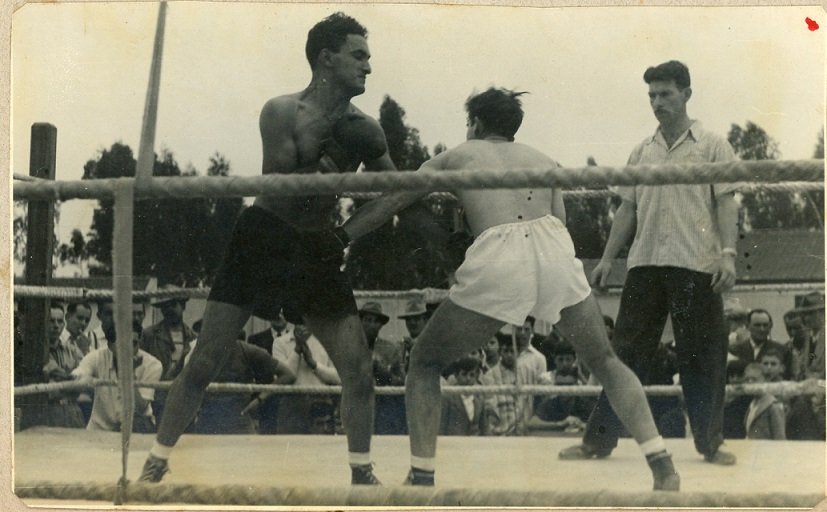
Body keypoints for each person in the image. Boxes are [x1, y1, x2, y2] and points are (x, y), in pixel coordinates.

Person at [342, 87, 679, 490]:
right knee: (605, 360)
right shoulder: (542, 160)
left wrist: (339, 237)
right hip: (554, 246)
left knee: (425, 363)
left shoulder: (458, 156)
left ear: (477, 123)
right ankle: (661, 462)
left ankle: (421, 476)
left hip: (501, 253)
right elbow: (558, 219)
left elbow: (391, 201)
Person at [140, 12, 393, 485]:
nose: (369, 67)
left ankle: (362, 473)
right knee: (206, 359)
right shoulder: (282, 111)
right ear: (326, 58)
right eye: (359, 56)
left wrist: (345, 233)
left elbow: (396, 191)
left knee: (358, 369)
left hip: (317, 244)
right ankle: (156, 459)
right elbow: (283, 182)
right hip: (264, 236)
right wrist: (335, 155)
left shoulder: (367, 128)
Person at [560, 60, 740, 467]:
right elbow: (627, 209)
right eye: (652, 96)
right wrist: (608, 259)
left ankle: (710, 444)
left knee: (702, 355)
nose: (657, 103)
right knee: (622, 355)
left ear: (686, 94)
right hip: (644, 265)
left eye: (665, 94)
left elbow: (726, 200)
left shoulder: (713, 145)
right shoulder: (641, 150)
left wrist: (728, 255)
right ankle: (598, 441)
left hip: (696, 263)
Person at [183, 328, 296, 435]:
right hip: (207, 422)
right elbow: (178, 380)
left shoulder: (247, 350)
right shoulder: (200, 351)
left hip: (239, 422)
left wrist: (259, 400)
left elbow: (288, 375)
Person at [72, 320, 162, 432]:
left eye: (134, 343)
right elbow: (77, 376)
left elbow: (140, 407)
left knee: (139, 424)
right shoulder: (97, 357)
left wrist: (130, 374)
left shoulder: (152, 364)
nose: (129, 350)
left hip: (136, 428)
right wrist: (71, 377)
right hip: (100, 430)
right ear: (110, 345)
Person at [273, 323, 341, 434]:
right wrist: (297, 350)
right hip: (291, 404)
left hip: (321, 404)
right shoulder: (280, 342)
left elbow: (338, 377)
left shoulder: (328, 342)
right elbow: (281, 377)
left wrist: (314, 364)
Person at [359, 302, 406, 435]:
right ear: (360, 321)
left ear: (380, 325)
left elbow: (401, 382)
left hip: (383, 407)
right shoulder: (350, 348)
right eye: (367, 320)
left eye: (375, 321)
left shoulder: (391, 349)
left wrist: (381, 370)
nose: (371, 325)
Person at [42, 302, 86, 428]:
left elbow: (85, 383)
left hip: (73, 412)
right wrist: (72, 380)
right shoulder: (37, 353)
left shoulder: (72, 350)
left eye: (60, 321)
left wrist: (60, 377)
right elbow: (50, 391)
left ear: (63, 324)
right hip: (48, 413)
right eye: (51, 321)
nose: (56, 326)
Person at [728, 309, 790, 376]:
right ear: (748, 326)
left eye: (765, 325)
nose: (762, 329)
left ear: (770, 326)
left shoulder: (782, 350)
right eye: (757, 325)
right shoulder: (735, 350)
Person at [439, 357, 487, 436]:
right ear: (456, 375)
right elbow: (441, 426)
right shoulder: (447, 397)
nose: (468, 378)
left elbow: (485, 428)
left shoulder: (479, 398)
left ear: (476, 377)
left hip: (475, 445)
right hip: (454, 444)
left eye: (472, 375)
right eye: (464, 374)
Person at [742, 363, 786, 440]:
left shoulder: (773, 406)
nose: (750, 382)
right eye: (747, 379)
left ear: (765, 380)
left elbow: (780, 438)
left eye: (754, 379)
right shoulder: (752, 404)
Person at [398, 298, 432, 373]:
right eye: (408, 319)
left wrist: (415, 350)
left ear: (425, 320)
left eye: (416, 319)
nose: (412, 323)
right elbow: (401, 372)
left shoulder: (432, 342)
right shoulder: (404, 345)